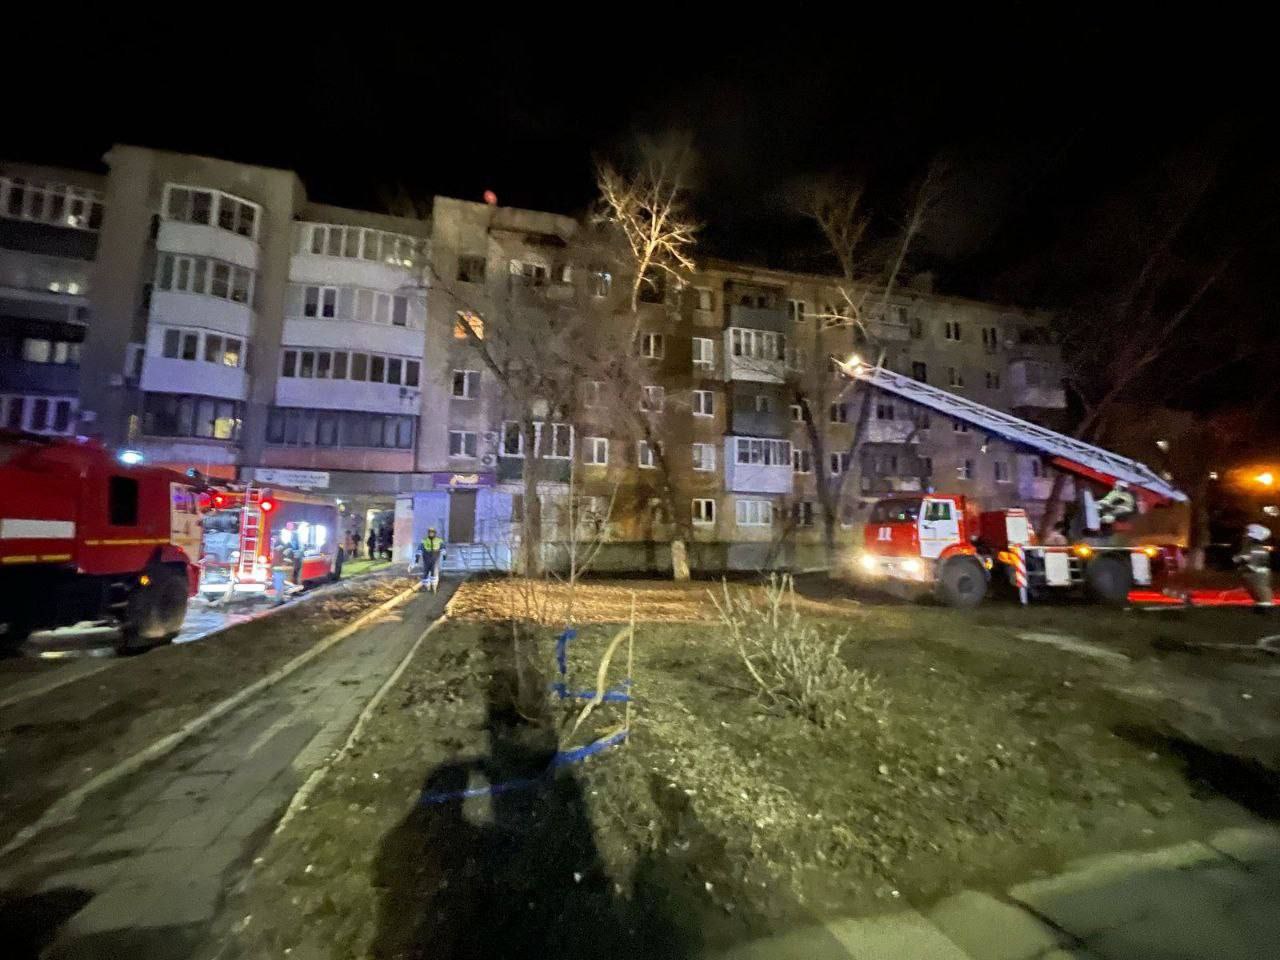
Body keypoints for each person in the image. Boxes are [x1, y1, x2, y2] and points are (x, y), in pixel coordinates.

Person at [1234, 523, 1273, 609]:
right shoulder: (1249, 548)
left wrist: (1242, 561)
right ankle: (1261, 602)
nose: (1243, 536)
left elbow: (1252, 564)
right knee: (1254, 587)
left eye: (1246, 533)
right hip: (1253, 574)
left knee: (1260, 587)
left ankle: (1265, 604)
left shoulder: (1257, 549)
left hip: (1257, 575)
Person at [417, 527, 446, 591]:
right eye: (430, 533)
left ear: (435, 533)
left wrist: (444, 555)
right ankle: (426, 587)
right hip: (426, 558)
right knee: (425, 573)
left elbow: (443, 548)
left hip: (435, 558)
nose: (431, 534)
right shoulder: (424, 540)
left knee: (434, 572)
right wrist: (417, 557)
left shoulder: (439, 540)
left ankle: (434, 587)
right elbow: (419, 549)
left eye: (432, 533)